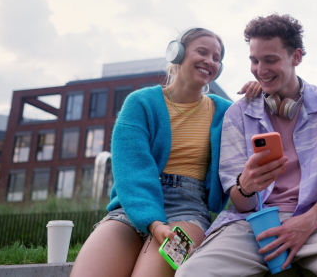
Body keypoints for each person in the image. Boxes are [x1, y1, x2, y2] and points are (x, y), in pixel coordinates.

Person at [176, 14, 317, 276]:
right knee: (191, 272)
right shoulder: (238, 114)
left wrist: (308, 221)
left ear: (296, 57)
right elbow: (240, 202)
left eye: (270, 60)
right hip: (251, 224)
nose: (260, 70)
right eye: (254, 60)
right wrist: (246, 185)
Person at [71, 28, 261, 277]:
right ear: (177, 53)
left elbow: (262, 128)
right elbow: (131, 171)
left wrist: (262, 93)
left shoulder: (227, 112)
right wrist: (154, 223)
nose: (210, 61)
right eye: (202, 52)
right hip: (130, 209)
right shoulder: (139, 103)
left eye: (216, 58)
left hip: (189, 213)